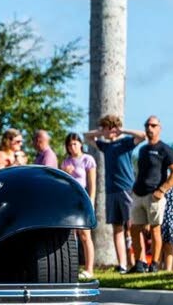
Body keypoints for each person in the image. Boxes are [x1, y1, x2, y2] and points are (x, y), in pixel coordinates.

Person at [84, 114, 145, 273]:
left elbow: (142, 136)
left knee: (132, 227)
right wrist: (100, 132)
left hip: (127, 189)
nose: (108, 131)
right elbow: (87, 137)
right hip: (111, 191)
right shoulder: (105, 146)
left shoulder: (125, 143)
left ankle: (140, 261)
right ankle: (123, 265)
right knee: (117, 228)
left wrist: (122, 130)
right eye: (106, 127)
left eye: (111, 127)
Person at [128, 116, 173, 273]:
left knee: (155, 230)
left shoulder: (165, 149)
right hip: (138, 194)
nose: (149, 128)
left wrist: (162, 190)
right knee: (135, 230)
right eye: (147, 125)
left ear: (159, 128)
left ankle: (155, 265)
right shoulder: (143, 149)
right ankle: (139, 263)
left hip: (154, 196)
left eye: (153, 125)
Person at [61, 133, 97, 279]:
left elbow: (91, 183)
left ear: (80, 144)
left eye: (75, 144)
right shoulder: (66, 162)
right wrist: (65, 172)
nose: (72, 147)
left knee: (85, 234)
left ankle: (89, 268)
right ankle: (73, 268)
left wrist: (92, 201)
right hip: (69, 199)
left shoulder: (88, 160)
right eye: (70, 145)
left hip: (83, 198)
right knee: (71, 235)